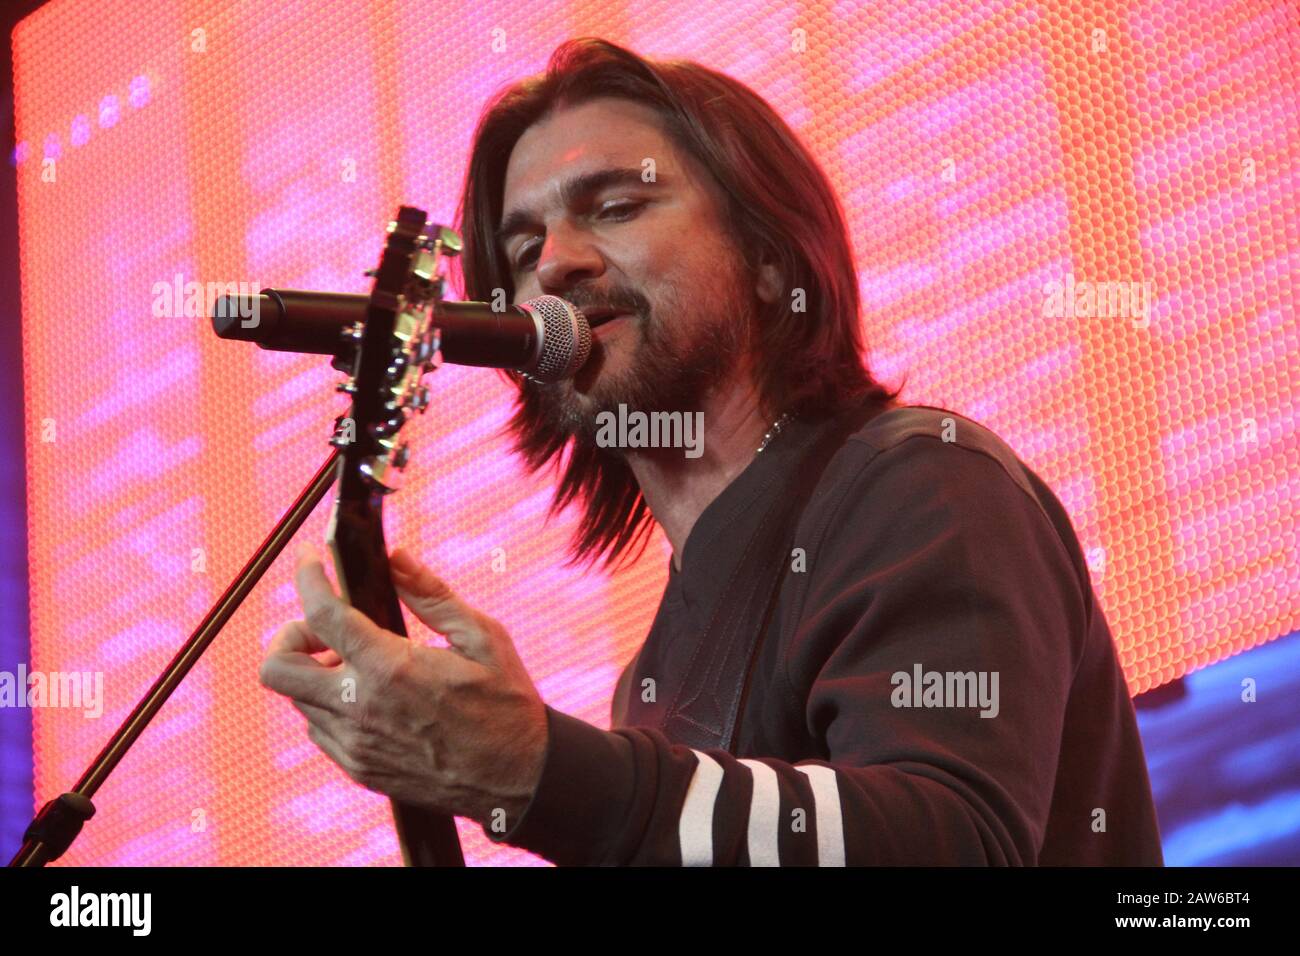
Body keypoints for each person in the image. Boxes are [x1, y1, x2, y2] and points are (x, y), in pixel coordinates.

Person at [259, 37, 1164, 865]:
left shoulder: (927, 488)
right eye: (524, 247)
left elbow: (957, 841)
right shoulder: (651, 682)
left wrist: (539, 770)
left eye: (615, 206)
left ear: (770, 257)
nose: (557, 267)